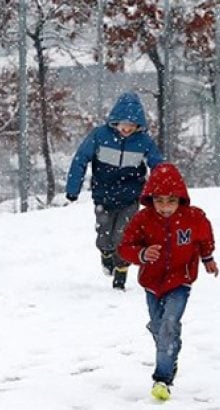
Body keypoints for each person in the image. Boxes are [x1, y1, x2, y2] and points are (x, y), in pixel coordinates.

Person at [118, 162, 218, 401]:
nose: (165, 207)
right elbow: (125, 247)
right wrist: (141, 254)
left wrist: (208, 258)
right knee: (158, 326)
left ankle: (162, 378)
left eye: (171, 201)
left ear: (181, 199)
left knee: (169, 323)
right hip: (152, 283)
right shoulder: (143, 219)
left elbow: (204, 237)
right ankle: (170, 350)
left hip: (180, 280)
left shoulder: (193, 217)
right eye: (159, 201)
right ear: (150, 199)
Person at [65, 91, 163, 290]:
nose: (127, 128)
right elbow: (80, 159)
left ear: (139, 125)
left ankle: (121, 271)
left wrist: (162, 191)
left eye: (132, 125)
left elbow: (158, 166)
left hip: (130, 197)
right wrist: (73, 188)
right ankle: (106, 254)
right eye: (123, 124)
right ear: (115, 121)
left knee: (124, 236)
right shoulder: (100, 136)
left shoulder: (143, 142)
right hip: (103, 195)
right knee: (104, 235)